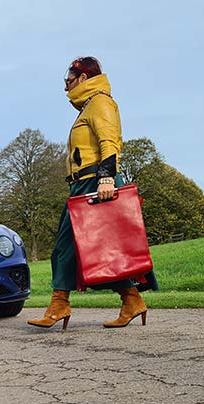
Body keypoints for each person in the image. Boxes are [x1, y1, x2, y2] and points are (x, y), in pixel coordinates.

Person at [27, 57, 159, 330]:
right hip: (83, 185)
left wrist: (106, 177)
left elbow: (109, 140)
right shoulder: (88, 106)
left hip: (96, 183)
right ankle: (131, 300)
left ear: (84, 78)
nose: (65, 86)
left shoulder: (100, 102)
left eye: (69, 80)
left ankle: (59, 304)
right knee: (100, 250)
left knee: (69, 247)